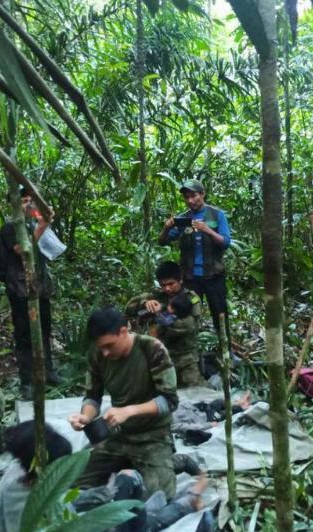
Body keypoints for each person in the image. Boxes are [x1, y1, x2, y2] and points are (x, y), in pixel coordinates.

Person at [0, 421, 210, 532]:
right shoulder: (20, 495)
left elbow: (62, 504)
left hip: (70, 517)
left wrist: (101, 495)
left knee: (131, 482)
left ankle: (184, 504)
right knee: (139, 520)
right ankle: (186, 504)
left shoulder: (30, 474)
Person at [69, 308, 178, 498]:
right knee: (71, 481)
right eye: (100, 347)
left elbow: (169, 401)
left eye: (109, 345)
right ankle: (128, 465)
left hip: (152, 436)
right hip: (118, 436)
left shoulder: (151, 349)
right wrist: (85, 416)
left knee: (160, 496)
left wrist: (129, 411)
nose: (104, 352)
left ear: (123, 331)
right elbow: (93, 396)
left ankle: (176, 461)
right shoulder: (98, 354)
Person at [0, 188, 62, 400]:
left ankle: (48, 371)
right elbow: (22, 250)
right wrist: (43, 224)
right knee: (24, 335)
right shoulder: (10, 228)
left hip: (40, 287)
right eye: (23, 201)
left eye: (30, 200)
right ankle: (26, 381)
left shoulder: (35, 224)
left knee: (45, 330)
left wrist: (43, 223)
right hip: (20, 290)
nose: (27, 204)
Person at [158, 179, 231, 337]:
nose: (190, 200)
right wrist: (166, 227)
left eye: (194, 196)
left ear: (202, 194)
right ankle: (190, 349)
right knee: (187, 314)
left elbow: (225, 242)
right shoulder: (183, 219)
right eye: (187, 197)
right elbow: (163, 241)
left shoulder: (217, 215)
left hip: (214, 277)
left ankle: (226, 350)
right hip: (191, 278)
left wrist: (208, 230)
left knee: (220, 314)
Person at [125, 261, 202, 387]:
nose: (167, 288)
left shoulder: (191, 298)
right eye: (163, 285)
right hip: (160, 357)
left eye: (171, 284)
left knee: (195, 396)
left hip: (185, 359)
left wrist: (162, 313)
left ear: (180, 280)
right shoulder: (156, 295)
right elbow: (129, 308)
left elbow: (189, 326)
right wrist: (145, 303)